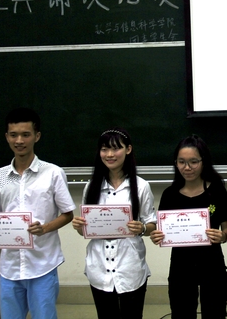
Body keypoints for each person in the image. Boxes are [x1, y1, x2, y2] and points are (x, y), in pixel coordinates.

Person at [0, 107, 76, 319]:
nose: (19, 140)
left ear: (37, 136)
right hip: (9, 266)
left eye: (25, 134)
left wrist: (44, 228)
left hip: (43, 264)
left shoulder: (53, 173)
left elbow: (68, 214)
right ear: (7, 137)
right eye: (14, 135)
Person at [71, 128, 157, 319]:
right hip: (99, 266)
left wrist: (142, 228)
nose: (109, 154)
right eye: (104, 149)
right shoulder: (91, 186)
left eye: (115, 148)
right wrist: (80, 227)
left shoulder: (141, 186)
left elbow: (152, 223)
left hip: (130, 265)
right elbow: (86, 231)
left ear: (128, 149)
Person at [150, 135, 227, 319]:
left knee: (215, 313)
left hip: (212, 265)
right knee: (181, 313)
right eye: (181, 162)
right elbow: (161, 231)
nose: (187, 168)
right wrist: (157, 237)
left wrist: (223, 236)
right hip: (181, 267)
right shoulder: (169, 195)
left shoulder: (216, 190)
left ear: (204, 162)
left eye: (193, 162)